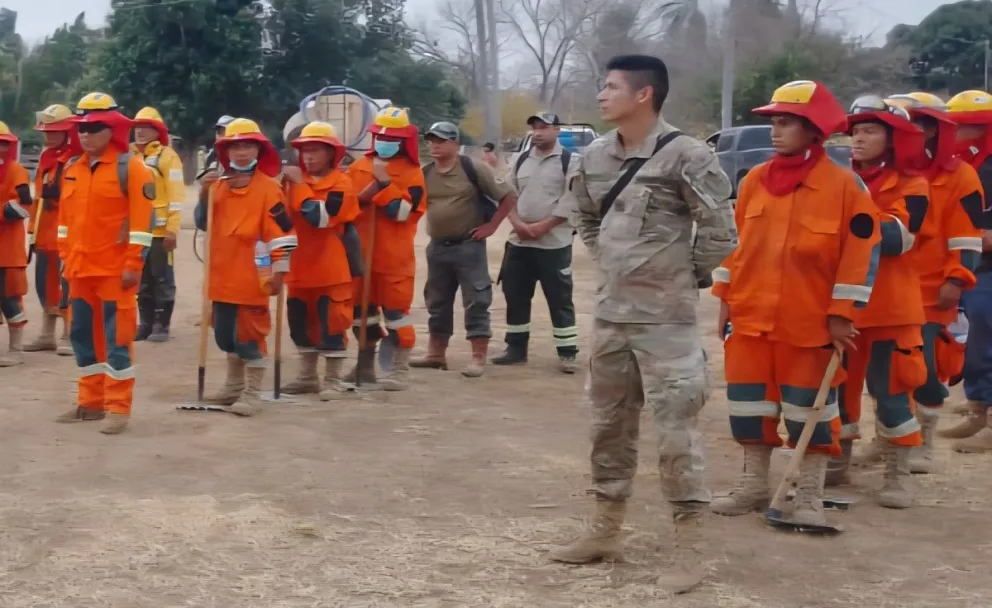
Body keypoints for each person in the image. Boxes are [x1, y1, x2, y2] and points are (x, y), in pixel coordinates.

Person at [548, 55, 735, 595]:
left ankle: (689, 547)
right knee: (608, 426)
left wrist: (681, 275)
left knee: (676, 432)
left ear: (644, 94)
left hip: (667, 323)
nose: (602, 96)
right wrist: (612, 262)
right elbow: (584, 215)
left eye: (611, 87)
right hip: (612, 317)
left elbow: (720, 232)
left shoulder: (688, 155)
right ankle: (605, 529)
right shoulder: (593, 157)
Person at [709, 82, 880, 525]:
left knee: (811, 413)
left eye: (785, 122)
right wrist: (725, 297)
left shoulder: (845, 186)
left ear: (813, 129)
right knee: (749, 407)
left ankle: (808, 495)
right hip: (750, 319)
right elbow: (735, 245)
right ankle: (752, 486)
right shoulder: (754, 180)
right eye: (774, 122)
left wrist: (842, 314)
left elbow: (862, 255)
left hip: (809, 325)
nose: (775, 131)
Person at [823, 96, 930, 508]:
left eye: (870, 131)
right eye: (855, 131)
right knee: (839, 389)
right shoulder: (837, 179)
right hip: (845, 308)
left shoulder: (913, 185)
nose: (858, 138)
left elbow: (898, 238)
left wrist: (847, 220)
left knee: (891, 391)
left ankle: (897, 473)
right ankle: (838, 462)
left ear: (892, 139)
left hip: (892, 310)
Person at [876, 93, 984, 472]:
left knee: (923, 370)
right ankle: (886, 439)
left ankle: (924, 439)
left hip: (931, 291)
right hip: (885, 291)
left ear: (935, 130)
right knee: (883, 372)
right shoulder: (885, 174)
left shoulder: (960, 176)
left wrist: (956, 279)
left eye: (916, 126)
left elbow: (967, 237)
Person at [54, 92, 155, 434]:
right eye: (81, 128)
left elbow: (142, 225)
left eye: (94, 128)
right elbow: (64, 223)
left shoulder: (133, 169)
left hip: (115, 272)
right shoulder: (72, 169)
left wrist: (133, 265)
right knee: (82, 337)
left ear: (112, 129)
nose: (85, 134)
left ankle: (118, 408)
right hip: (79, 271)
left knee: (117, 339)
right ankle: (90, 402)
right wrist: (65, 257)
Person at [194, 118, 297, 416]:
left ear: (258, 150)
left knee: (249, 337)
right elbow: (202, 222)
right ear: (225, 151)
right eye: (235, 147)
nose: (241, 152)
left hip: (253, 277)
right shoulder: (218, 186)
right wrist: (204, 194)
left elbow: (282, 234)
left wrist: (280, 271)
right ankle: (233, 386)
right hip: (220, 276)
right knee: (224, 336)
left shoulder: (269, 189)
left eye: (247, 146)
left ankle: (252, 393)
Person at [411, 121, 517, 377]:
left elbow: (508, 195)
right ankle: (436, 354)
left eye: (441, 140)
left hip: (468, 247)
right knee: (437, 301)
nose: (434, 145)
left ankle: (478, 358)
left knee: (477, 300)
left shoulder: (473, 168)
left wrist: (491, 226)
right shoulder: (426, 173)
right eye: (431, 140)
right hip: (438, 247)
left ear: (455, 143)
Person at [347, 108, 427, 389]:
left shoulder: (413, 173)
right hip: (360, 255)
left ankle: (399, 369)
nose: (384, 142)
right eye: (380, 137)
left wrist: (384, 184)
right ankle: (365, 365)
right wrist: (363, 197)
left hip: (394, 258)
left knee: (396, 315)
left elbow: (403, 213)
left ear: (403, 140)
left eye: (391, 138)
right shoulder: (358, 168)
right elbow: (347, 207)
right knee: (361, 314)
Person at [493, 111, 579, 373]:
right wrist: (517, 223)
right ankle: (515, 349)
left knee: (560, 299)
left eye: (544, 127)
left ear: (557, 130)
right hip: (519, 243)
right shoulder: (520, 160)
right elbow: (506, 194)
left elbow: (573, 199)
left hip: (554, 244)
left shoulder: (571, 162)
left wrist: (545, 226)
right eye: (534, 128)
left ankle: (567, 353)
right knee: (515, 297)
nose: (538, 133)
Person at [281, 121, 361, 399]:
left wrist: (300, 185)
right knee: (300, 323)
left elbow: (320, 218)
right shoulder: (290, 181)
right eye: (305, 151)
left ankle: (333, 380)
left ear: (330, 153)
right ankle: (307, 377)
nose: (309, 157)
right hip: (298, 265)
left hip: (331, 267)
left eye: (315, 150)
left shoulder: (342, 183)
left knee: (333, 324)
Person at [936, 90, 992, 452]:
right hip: (969, 265)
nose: (954, 134)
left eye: (963, 127)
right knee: (974, 343)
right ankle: (978, 407)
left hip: (987, 265)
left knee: (988, 336)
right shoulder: (959, 167)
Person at [24, 104, 78, 357]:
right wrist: (32, 228)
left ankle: (68, 334)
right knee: (44, 282)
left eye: (55, 130)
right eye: (46, 130)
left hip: (68, 230)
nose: (49, 135)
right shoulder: (46, 158)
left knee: (68, 283)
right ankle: (47, 334)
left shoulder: (76, 158)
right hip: (44, 231)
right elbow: (38, 197)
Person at [131, 107, 184, 342]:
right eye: (137, 127)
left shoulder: (167, 157)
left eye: (146, 127)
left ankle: (162, 324)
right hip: (137, 231)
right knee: (140, 278)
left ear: (157, 131)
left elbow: (176, 195)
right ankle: (145, 323)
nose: (140, 132)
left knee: (161, 278)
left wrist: (172, 229)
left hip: (161, 231)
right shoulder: (131, 156)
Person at [0, 121, 33, 367]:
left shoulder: (17, 171)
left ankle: (16, 349)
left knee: (9, 297)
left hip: (7, 249)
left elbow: (24, 204)